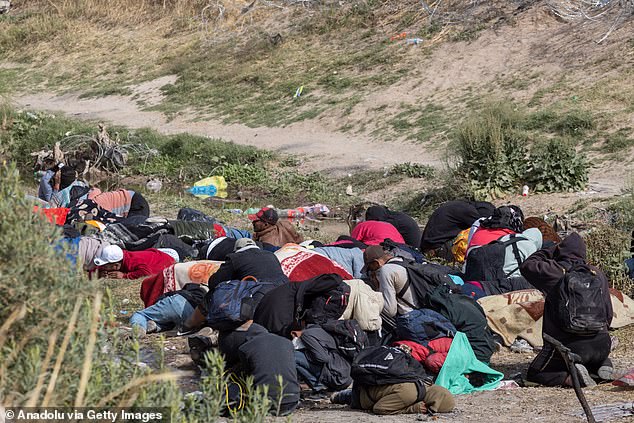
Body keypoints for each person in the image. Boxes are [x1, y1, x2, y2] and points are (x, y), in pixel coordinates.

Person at [519, 233, 614, 387]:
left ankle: (573, 378)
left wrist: (550, 250)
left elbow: (527, 265)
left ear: (560, 251)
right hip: (602, 344)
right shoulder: (597, 273)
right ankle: (603, 364)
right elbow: (608, 315)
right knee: (590, 354)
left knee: (536, 373)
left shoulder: (553, 271)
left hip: (569, 346)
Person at [218, 321, 300, 416]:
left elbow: (247, 376)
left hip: (264, 405)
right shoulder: (287, 342)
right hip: (292, 402)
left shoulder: (245, 348)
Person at [420, 200, 495, 260]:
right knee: (478, 235)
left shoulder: (461, 205)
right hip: (437, 249)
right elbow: (483, 227)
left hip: (430, 247)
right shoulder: (468, 211)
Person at [208, 238, 289, 289]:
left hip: (260, 294)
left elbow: (214, 282)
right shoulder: (271, 255)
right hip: (284, 288)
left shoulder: (235, 258)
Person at [362, 246, 419, 317]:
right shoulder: (402, 260)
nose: (371, 272)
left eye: (370, 268)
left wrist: (377, 291)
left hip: (409, 317)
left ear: (376, 263)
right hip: (422, 311)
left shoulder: (386, 270)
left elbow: (390, 311)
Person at [130, 283, 208, 335]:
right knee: (172, 323)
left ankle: (139, 329)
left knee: (141, 315)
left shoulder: (194, 286)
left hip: (179, 302)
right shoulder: (214, 293)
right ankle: (156, 326)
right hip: (196, 317)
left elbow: (164, 297)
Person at [93, 245, 175, 279]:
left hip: (169, 258)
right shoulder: (121, 257)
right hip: (157, 253)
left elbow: (146, 272)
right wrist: (98, 274)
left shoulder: (131, 262)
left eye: (105, 265)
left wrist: (125, 275)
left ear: (116, 266)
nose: (103, 267)